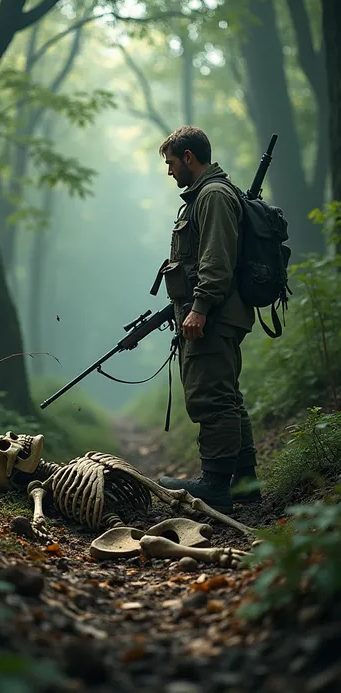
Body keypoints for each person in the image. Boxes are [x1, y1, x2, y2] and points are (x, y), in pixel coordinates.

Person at [156, 126, 261, 513]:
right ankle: (245, 483)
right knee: (227, 396)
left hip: (214, 315)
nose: (169, 171)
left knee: (212, 397)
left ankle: (215, 484)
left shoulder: (213, 195)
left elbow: (216, 260)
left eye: (170, 162)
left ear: (188, 157)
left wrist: (199, 307)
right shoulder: (206, 194)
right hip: (216, 311)